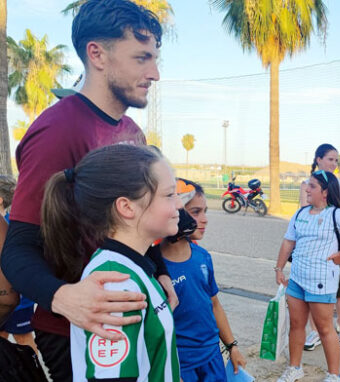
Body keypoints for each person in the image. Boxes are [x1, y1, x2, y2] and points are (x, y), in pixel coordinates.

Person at [0, 1, 174, 380]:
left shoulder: (133, 133)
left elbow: (134, 230)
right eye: (142, 58)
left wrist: (158, 273)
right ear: (97, 54)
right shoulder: (58, 131)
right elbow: (18, 247)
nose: (155, 73)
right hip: (75, 332)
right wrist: (64, 299)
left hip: (131, 318)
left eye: (155, 58)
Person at [41, 144, 181, 381]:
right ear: (127, 207)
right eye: (169, 195)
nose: (178, 204)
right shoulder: (115, 284)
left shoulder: (133, 269)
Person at [275, 170, 340, 382]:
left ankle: (334, 374)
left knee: (325, 329)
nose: (307, 189)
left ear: (325, 192)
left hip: (321, 281)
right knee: (297, 325)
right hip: (297, 279)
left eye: (312, 186)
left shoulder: (337, 214)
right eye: (308, 185)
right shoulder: (300, 214)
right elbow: (288, 242)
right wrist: (279, 268)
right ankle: (294, 367)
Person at [161, 178, 247, 381]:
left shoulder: (202, 256)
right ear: (173, 211)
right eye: (196, 212)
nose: (205, 219)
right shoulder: (154, 268)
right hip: (180, 365)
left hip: (212, 358)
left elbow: (214, 304)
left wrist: (232, 346)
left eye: (205, 211)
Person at [299, 144, 340, 352]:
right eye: (330, 159)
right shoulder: (306, 185)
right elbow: (302, 214)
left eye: (336, 160)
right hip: (312, 250)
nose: (334, 163)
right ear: (318, 160)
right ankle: (314, 331)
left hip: (336, 247)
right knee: (309, 291)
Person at [0, 176, 37, 354]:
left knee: (23, 339)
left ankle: (34, 373)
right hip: (4, 301)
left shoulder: (12, 225)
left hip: (20, 300)